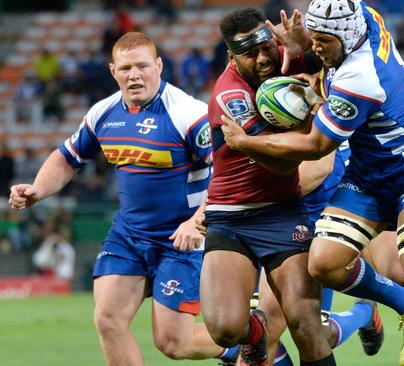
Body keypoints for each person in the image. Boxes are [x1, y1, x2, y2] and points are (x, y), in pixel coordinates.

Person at [219, 1, 404, 365]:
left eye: (323, 41)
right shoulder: (362, 16)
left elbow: (316, 145)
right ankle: (402, 304)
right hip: (369, 171)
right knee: (324, 264)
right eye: (315, 37)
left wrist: (247, 143)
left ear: (345, 37)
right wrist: (302, 41)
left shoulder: (360, 79)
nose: (316, 48)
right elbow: (331, 35)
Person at [8, 32, 239, 365]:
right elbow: (66, 157)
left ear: (159, 66)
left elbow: (227, 173)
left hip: (183, 240)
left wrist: (197, 222)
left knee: (173, 343)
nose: (135, 75)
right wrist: (37, 189)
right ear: (113, 70)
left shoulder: (189, 114)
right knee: (108, 319)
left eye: (143, 66)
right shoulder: (103, 114)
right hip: (129, 236)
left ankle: (246, 342)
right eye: (127, 67)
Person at [202, 8, 336, 366]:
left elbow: (334, 62)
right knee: (224, 330)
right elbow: (280, 162)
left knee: (306, 323)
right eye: (250, 53)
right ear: (232, 56)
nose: (263, 58)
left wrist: (304, 47)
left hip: (282, 212)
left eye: (267, 47)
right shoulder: (229, 96)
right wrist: (309, 123)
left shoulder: (280, 59)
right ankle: (255, 338)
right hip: (231, 217)